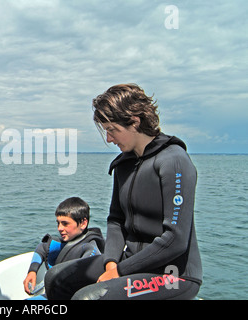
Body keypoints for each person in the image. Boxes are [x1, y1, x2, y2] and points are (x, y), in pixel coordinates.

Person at [44, 84, 202, 300]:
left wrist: (119, 272)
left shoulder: (174, 161)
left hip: (174, 274)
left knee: (89, 298)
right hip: (129, 262)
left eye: (112, 130)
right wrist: (110, 263)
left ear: (135, 121)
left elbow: (175, 240)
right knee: (56, 278)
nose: (109, 139)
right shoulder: (123, 165)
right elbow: (116, 220)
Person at [23, 197, 104, 295]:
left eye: (65, 224)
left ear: (83, 223)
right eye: (58, 223)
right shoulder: (62, 243)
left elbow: (92, 260)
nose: (59, 228)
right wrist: (32, 271)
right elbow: (42, 248)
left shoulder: (90, 246)